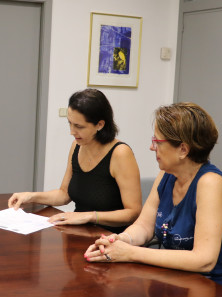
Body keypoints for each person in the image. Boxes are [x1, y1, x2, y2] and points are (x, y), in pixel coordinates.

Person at [84, 102, 222, 291]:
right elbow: (144, 226)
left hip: (216, 289)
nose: (152, 147)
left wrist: (130, 253)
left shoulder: (210, 184)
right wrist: (119, 240)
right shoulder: (167, 174)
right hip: (177, 281)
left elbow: (204, 260)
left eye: (157, 142)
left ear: (183, 150)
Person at [9, 88, 142, 233]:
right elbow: (64, 194)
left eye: (79, 126)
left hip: (110, 238)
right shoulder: (77, 146)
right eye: (70, 123)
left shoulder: (120, 153)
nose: (72, 131)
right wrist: (30, 196)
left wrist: (89, 216)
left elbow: (133, 212)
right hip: (79, 232)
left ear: (100, 125)